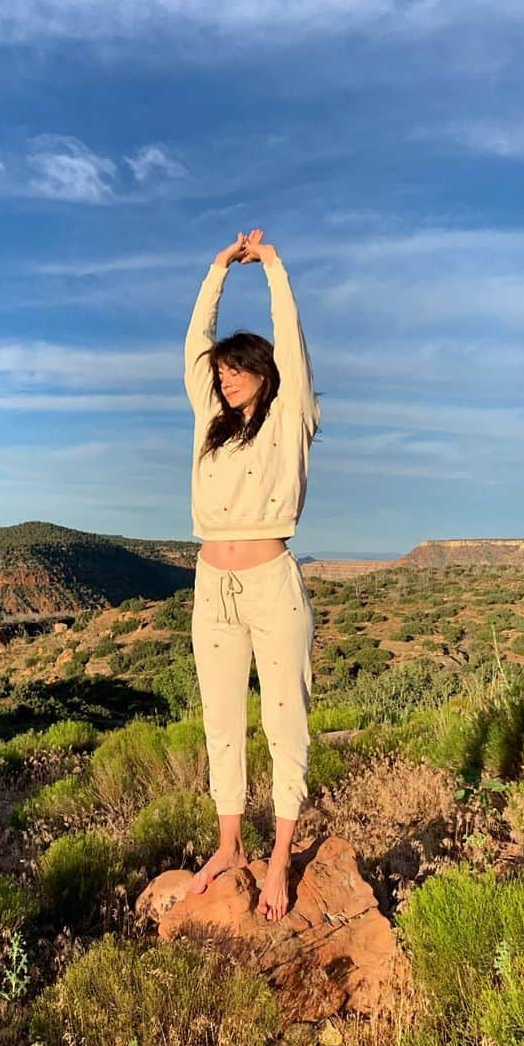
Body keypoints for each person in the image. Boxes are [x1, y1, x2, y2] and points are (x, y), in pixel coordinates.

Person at [184, 228, 321, 923]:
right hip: (212, 588)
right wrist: (215, 269)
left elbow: (292, 343)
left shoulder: (290, 419)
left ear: (264, 372)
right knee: (222, 720)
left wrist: (269, 266)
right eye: (222, 369)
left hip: (271, 585)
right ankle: (229, 846)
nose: (226, 375)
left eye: (238, 367)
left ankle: (278, 859)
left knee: (283, 718)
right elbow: (193, 349)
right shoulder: (211, 423)